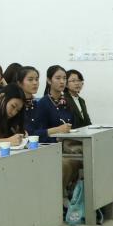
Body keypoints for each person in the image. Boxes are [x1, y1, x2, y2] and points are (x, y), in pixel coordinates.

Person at [33, 65, 81, 195]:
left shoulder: (66, 102)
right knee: (68, 163)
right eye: (58, 78)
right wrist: (58, 131)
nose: (62, 81)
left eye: (64, 78)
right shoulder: (43, 104)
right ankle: (59, 196)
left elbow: (75, 126)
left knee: (90, 156)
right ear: (49, 80)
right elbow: (38, 133)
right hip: (52, 147)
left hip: (68, 145)